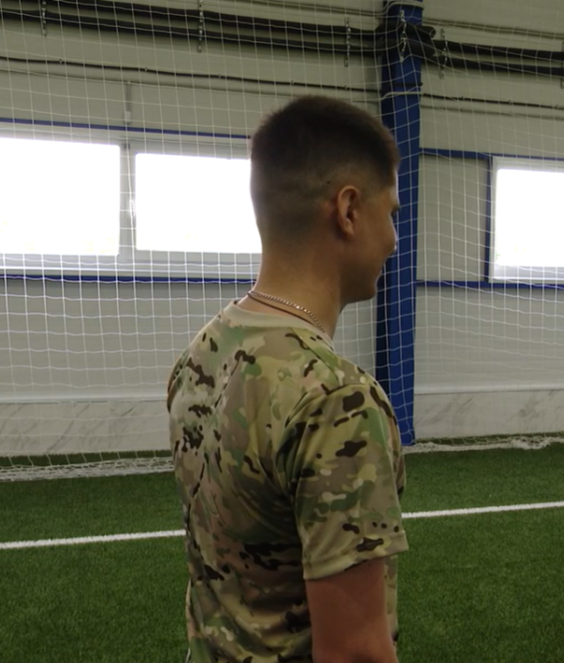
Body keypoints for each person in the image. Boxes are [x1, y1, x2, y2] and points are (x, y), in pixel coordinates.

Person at [167, 95, 406, 663]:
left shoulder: (202, 352)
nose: (395, 239)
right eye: (391, 213)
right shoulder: (335, 399)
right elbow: (354, 654)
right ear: (348, 210)